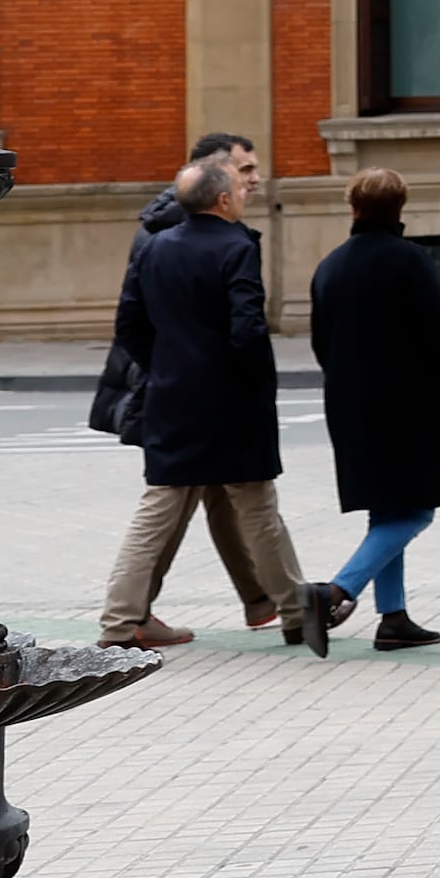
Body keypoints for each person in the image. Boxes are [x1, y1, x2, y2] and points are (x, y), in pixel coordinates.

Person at [97, 146, 318, 650]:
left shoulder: (154, 246)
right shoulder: (236, 246)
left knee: (157, 510)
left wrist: (166, 365)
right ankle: (295, 612)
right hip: (231, 399)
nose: (245, 193)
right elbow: (248, 326)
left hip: (172, 395)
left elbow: (129, 324)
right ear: (221, 199)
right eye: (240, 188)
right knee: (258, 508)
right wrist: (256, 382)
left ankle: (117, 622)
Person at [305, 167, 440, 652]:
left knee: (388, 508)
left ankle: (394, 618)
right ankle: (336, 591)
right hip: (407, 404)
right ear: (401, 208)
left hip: (348, 404)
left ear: (353, 207)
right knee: (417, 510)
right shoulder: (410, 261)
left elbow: (320, 343)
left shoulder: (330, 265)